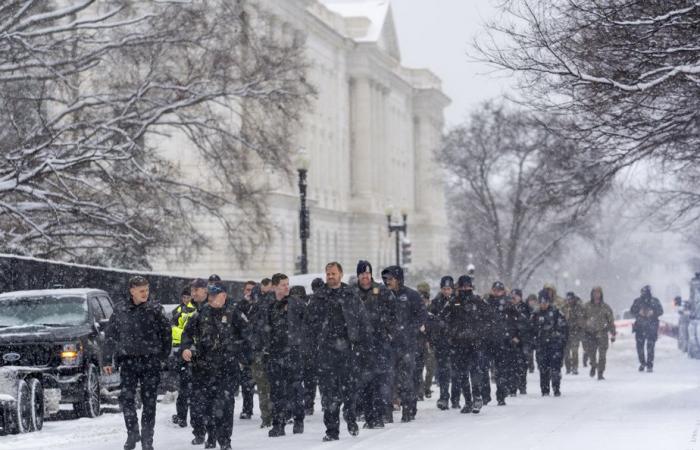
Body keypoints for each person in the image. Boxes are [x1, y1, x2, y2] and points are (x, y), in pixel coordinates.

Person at [104, 276, 171, 450]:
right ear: (132, 291)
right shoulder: (120, 309)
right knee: (127, 399)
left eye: (147, 290)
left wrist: (163, 357)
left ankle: (148, 438)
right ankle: (132, 433)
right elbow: (110, 336)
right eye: (141, 290)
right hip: (128, 361)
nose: (145, 294)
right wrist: (106, 359)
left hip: (151, 361)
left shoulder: (155, 309)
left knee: (149, 401)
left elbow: (166, 334)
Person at [181, 281, 250, 450]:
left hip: (228, 368)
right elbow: (187, 333)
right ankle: (211, 435)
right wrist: (186, 348)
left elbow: (249, 336)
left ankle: (225, 441)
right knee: (208, 405)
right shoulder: (202, 313)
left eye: (214, 295)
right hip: (205, 368)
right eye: (209, 295)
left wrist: (241, 356)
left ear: (224, 296)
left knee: (225, 405)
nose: (210, 298)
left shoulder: (234, 314)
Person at [305, 262, 367, 441]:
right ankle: (331, 430)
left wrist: (362, 345)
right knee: (329, 393)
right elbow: (308, 325)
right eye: (328, 274)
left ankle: (351, 417)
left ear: (340, 274)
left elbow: (362, 321)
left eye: (333, 273)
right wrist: (311, 347)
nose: (330, 276)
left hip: (348, 350)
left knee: (349, 390)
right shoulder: (318, 297)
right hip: (325, 351)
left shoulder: (351, 295)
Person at [381, 265, 427, 422]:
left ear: (398, 279)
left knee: (405, 379)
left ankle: (408, 409)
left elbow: (422, 315)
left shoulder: (411, 295)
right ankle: (387, 413)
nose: (388, 282)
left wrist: (408, 330)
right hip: (388, 345)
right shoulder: (383, 295)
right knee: (387, 378)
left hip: (407, 345)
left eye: (390, 279)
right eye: (386, 279)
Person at [354, 260, 395, 429]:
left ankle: (381, 414)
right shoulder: (352, 293)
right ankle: (368, 415)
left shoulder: (382, 291)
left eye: (368, 273)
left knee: (380, 380)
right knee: (364, 382)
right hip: (360, 344)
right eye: (362, 274)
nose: (365, 277)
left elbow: (394, 312)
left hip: (379, 342)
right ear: (358, 276)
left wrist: (387, 329)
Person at [264, 274, 306, 437]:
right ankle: (278, 424)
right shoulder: (269, 305)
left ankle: (298, 420)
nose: (286, 287)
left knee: (295, 387)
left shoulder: (296, 303)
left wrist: (301, 342)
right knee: (276, 390)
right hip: (275, 352)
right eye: (283, 285)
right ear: (274, 286)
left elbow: (307, 322)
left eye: (287, 284)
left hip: (293, 351)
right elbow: (262, 327)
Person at [439, 275, 486, 414]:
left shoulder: (477, 301)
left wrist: (480, 333)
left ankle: (477, 397)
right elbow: (442, 318)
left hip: (474, 343)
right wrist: (450, 332)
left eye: (467, 286)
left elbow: (489, 318)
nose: (465, 289)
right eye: (463, 286)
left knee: (475, 371)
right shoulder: (453, 302)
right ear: (458, 287)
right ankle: (468, 401)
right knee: (462, 374)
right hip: (458, 344)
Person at [484, 281, 524, 406]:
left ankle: (501, 396)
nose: (497, 292)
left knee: (502, 370)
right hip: (488, 340)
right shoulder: (486, 303)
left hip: (503, 341)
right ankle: (485, 395)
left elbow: (519, 321)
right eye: (495, 290)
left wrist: (515, 335)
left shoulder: (508, 304)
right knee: (484, 369)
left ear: (503, 291)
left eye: (499, 290)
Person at [531, 289, 568, 397]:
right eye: (541, 302)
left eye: (545, 302)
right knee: (543, 369)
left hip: (555, 345)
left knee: (555, 368)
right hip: (541, 346)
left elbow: (564, 328)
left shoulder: (556, 312)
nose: (543, 304)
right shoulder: (535, 314)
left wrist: (560, 342)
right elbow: (531, 330)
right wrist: (534, 341)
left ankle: (556, 388)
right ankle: (545, 390)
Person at [171, 286, 197, 428]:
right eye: (184, 297)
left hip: (190, 350)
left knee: (188, 386)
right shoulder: (177, 311)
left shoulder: (195, 311)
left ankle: (186, 416)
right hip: (181, 350)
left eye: (188, 297)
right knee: (184, 385)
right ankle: (182, 416)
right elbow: (173, 329)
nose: (186, 299)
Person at [429, 276, 456, 410]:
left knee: (457, 371)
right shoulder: (436, 302)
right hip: (441, 341)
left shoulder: (458, 301)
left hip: (457, 341)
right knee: (444, 370)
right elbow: (430, 320)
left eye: (449, 289)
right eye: (444, 289)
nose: (447, 291)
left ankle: (455, 398)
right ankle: (444, 397)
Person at [233, 281, 257, 420]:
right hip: (242, 347)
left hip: (255, 347)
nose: (250, 292)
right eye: (248, 289)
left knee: (256, 381)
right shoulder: (239, 306)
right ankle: (247, 409)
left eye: (252, 290)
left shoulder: (259, 306)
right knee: (245, 381)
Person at [583, 287, 616, 380]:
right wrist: (585, 325)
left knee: (602, 355)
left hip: (602, 333)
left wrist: (613, 333)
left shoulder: (605, 307)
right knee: (591, 354)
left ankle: (600, 372)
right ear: (592, 294)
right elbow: (581, 318)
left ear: (601, 294)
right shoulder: (586, 306)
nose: (596, 295)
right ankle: (593, 365)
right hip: (590, 334)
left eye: (598, 293)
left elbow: (610, 321)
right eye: (595, 293)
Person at [630, 285, 664, 372]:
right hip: (640, 327)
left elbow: (660, 311)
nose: (644, 294)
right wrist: (639, 312)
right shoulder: (637, 301)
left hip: (651, 327)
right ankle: (643, 363)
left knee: (650, 347)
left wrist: (653, 312)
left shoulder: (654, 301)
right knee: (640, 347)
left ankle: (649, 365)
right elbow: (632, 311)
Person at [510, 289, 531, 394]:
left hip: (523, 341)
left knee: (522, 365)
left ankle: (522, 386)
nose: (514, 298)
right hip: (511, 340)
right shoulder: (508, 307)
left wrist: (520, 337)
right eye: (512, 296)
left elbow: (528, 325)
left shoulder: (526, 308)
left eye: (516, 296)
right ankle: (512, 387)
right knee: (511, 365)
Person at [561, 292, 586, 375]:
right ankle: (568, 368)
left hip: (575, 332)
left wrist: (577, 324)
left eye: (571, 299)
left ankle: (575, 368)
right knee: (566, 352)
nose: (569, 301)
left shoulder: (578, 307)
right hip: (566, 332)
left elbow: (581, 319)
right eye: (568, 299)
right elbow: (560, 318)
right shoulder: (564, 307)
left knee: (574, 351)